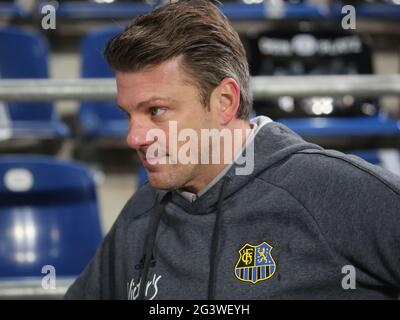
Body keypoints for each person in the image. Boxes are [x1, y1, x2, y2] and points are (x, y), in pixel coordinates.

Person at [65, 0, 400, 300]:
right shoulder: (141, 211)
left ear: (225, 102)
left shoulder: (333, 191)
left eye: (156, 111)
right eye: (128, 115)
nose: (134, 137)